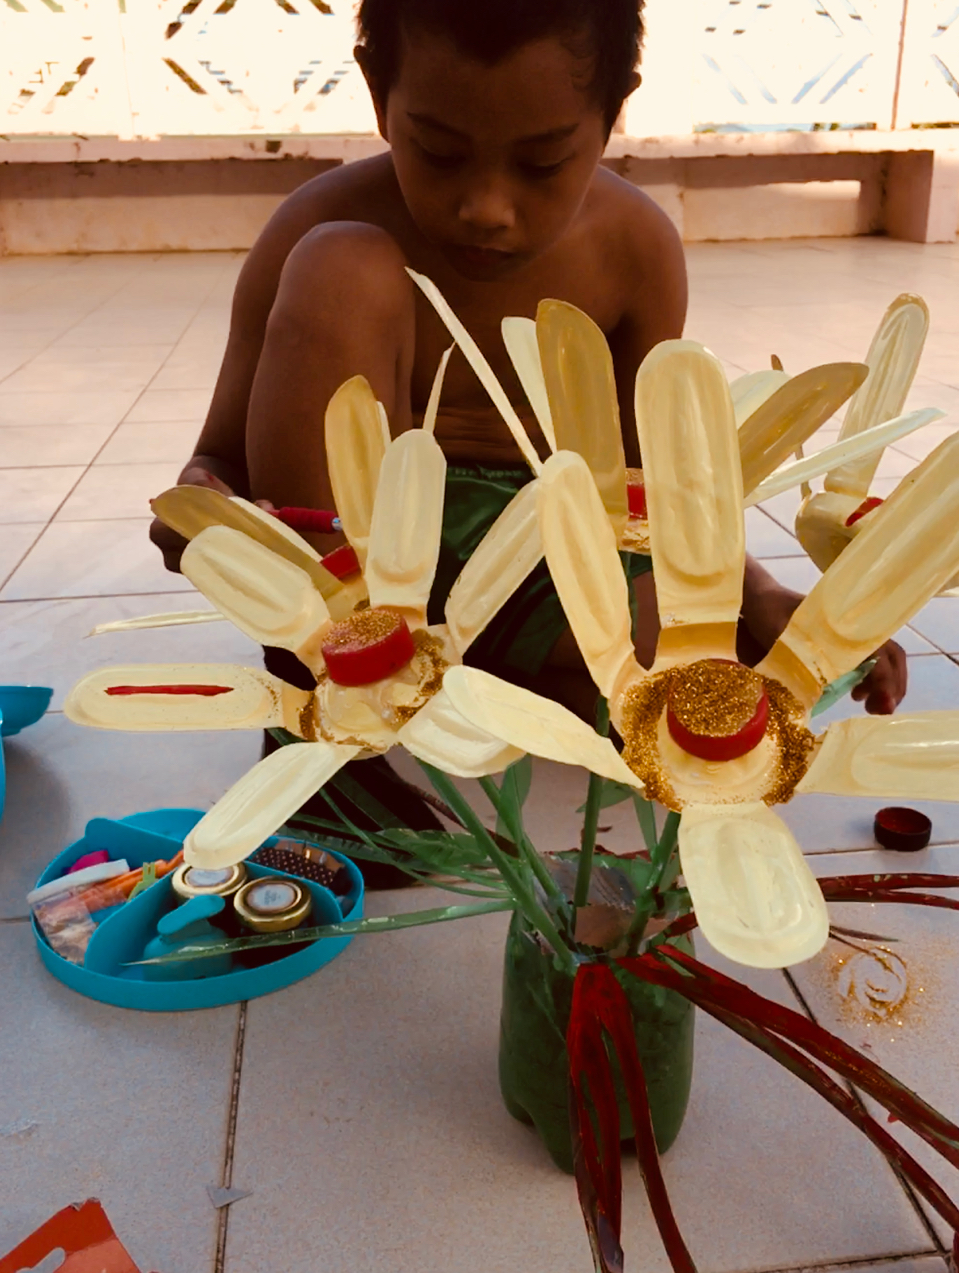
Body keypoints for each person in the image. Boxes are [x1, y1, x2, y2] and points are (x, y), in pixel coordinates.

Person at [150, 0, 907, 860]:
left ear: (612, 112)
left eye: (542, 162)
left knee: (710, 683)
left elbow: (660, 482)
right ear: (376, 91)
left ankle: (507, 682)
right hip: (368, 581)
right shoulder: (314, 224)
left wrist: (756, 593)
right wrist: (208, 513)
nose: (486, 208)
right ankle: (328, 724)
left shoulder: (633, 245)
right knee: (337, 262)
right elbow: (217, 457)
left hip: (561, 564)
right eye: (439, 152)